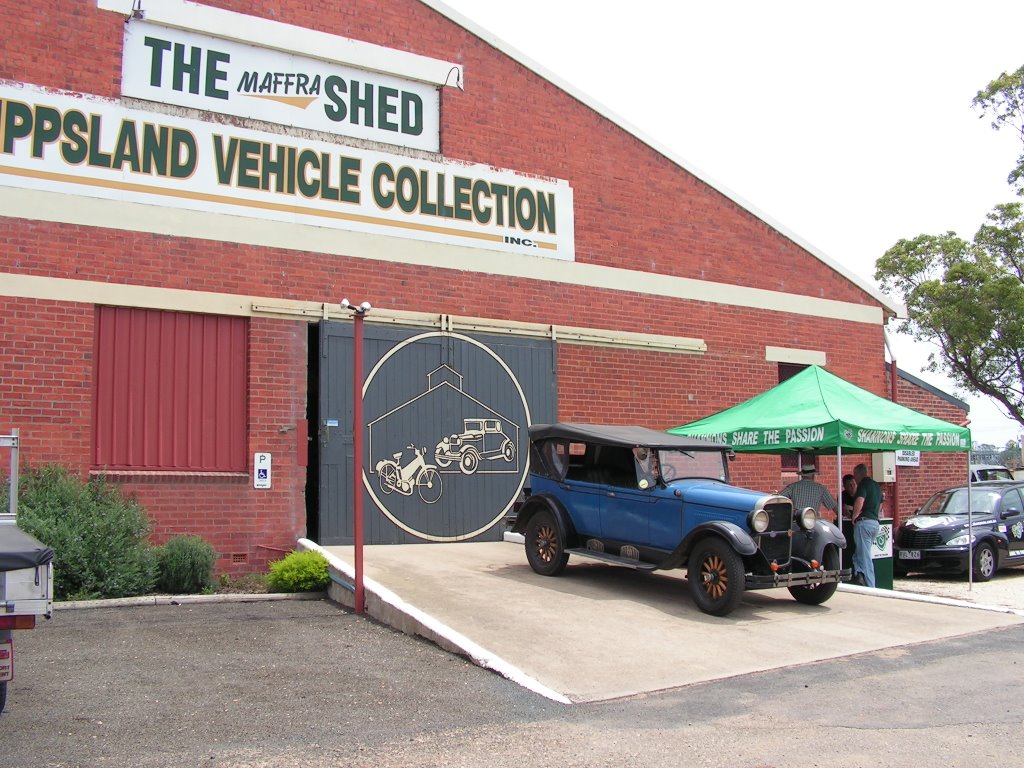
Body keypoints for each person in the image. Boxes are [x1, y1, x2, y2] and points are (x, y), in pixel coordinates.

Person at [851, 463, 882, 587]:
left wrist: (854, 516)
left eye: (855, 474)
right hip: (875, 522)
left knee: (864, 557)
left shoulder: (863, 484)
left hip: (864, 523)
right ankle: (859, 576)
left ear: (859, 473)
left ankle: (871, 586)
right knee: (859, 555)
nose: (854, 478)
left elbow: (860, 500)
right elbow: (880, 504)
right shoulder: (876, 485)